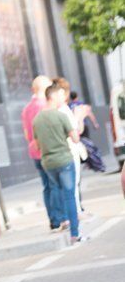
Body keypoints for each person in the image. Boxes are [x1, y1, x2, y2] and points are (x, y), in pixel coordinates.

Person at [32, 83, 83, 243]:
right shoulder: (61, 116)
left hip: (48, 162)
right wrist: (79, 118)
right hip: (64, 160)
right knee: (69, 195)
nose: (64, 98)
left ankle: (62, 220)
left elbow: (37, 145)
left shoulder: (37, 119)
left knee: (56, 190)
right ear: (52, 96)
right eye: (61, 95)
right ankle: (75, 234)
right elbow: (75, 138)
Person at [21, 75, 64, 230]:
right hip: (48, 152)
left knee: (46, 186)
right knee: (55, 185)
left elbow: (27, 135)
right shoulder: (44, 106)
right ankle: (59, 218)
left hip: (35, 153)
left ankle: (53, 219)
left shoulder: (26, 109)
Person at [53, 77, 88, 213]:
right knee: (72, 184)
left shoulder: (54, 110)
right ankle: (76, 213)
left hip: (60, 152)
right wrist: (79, 117)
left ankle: (72, 214)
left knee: (65, 186)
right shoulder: (63, 110)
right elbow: (76, 133)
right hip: (69, 151)